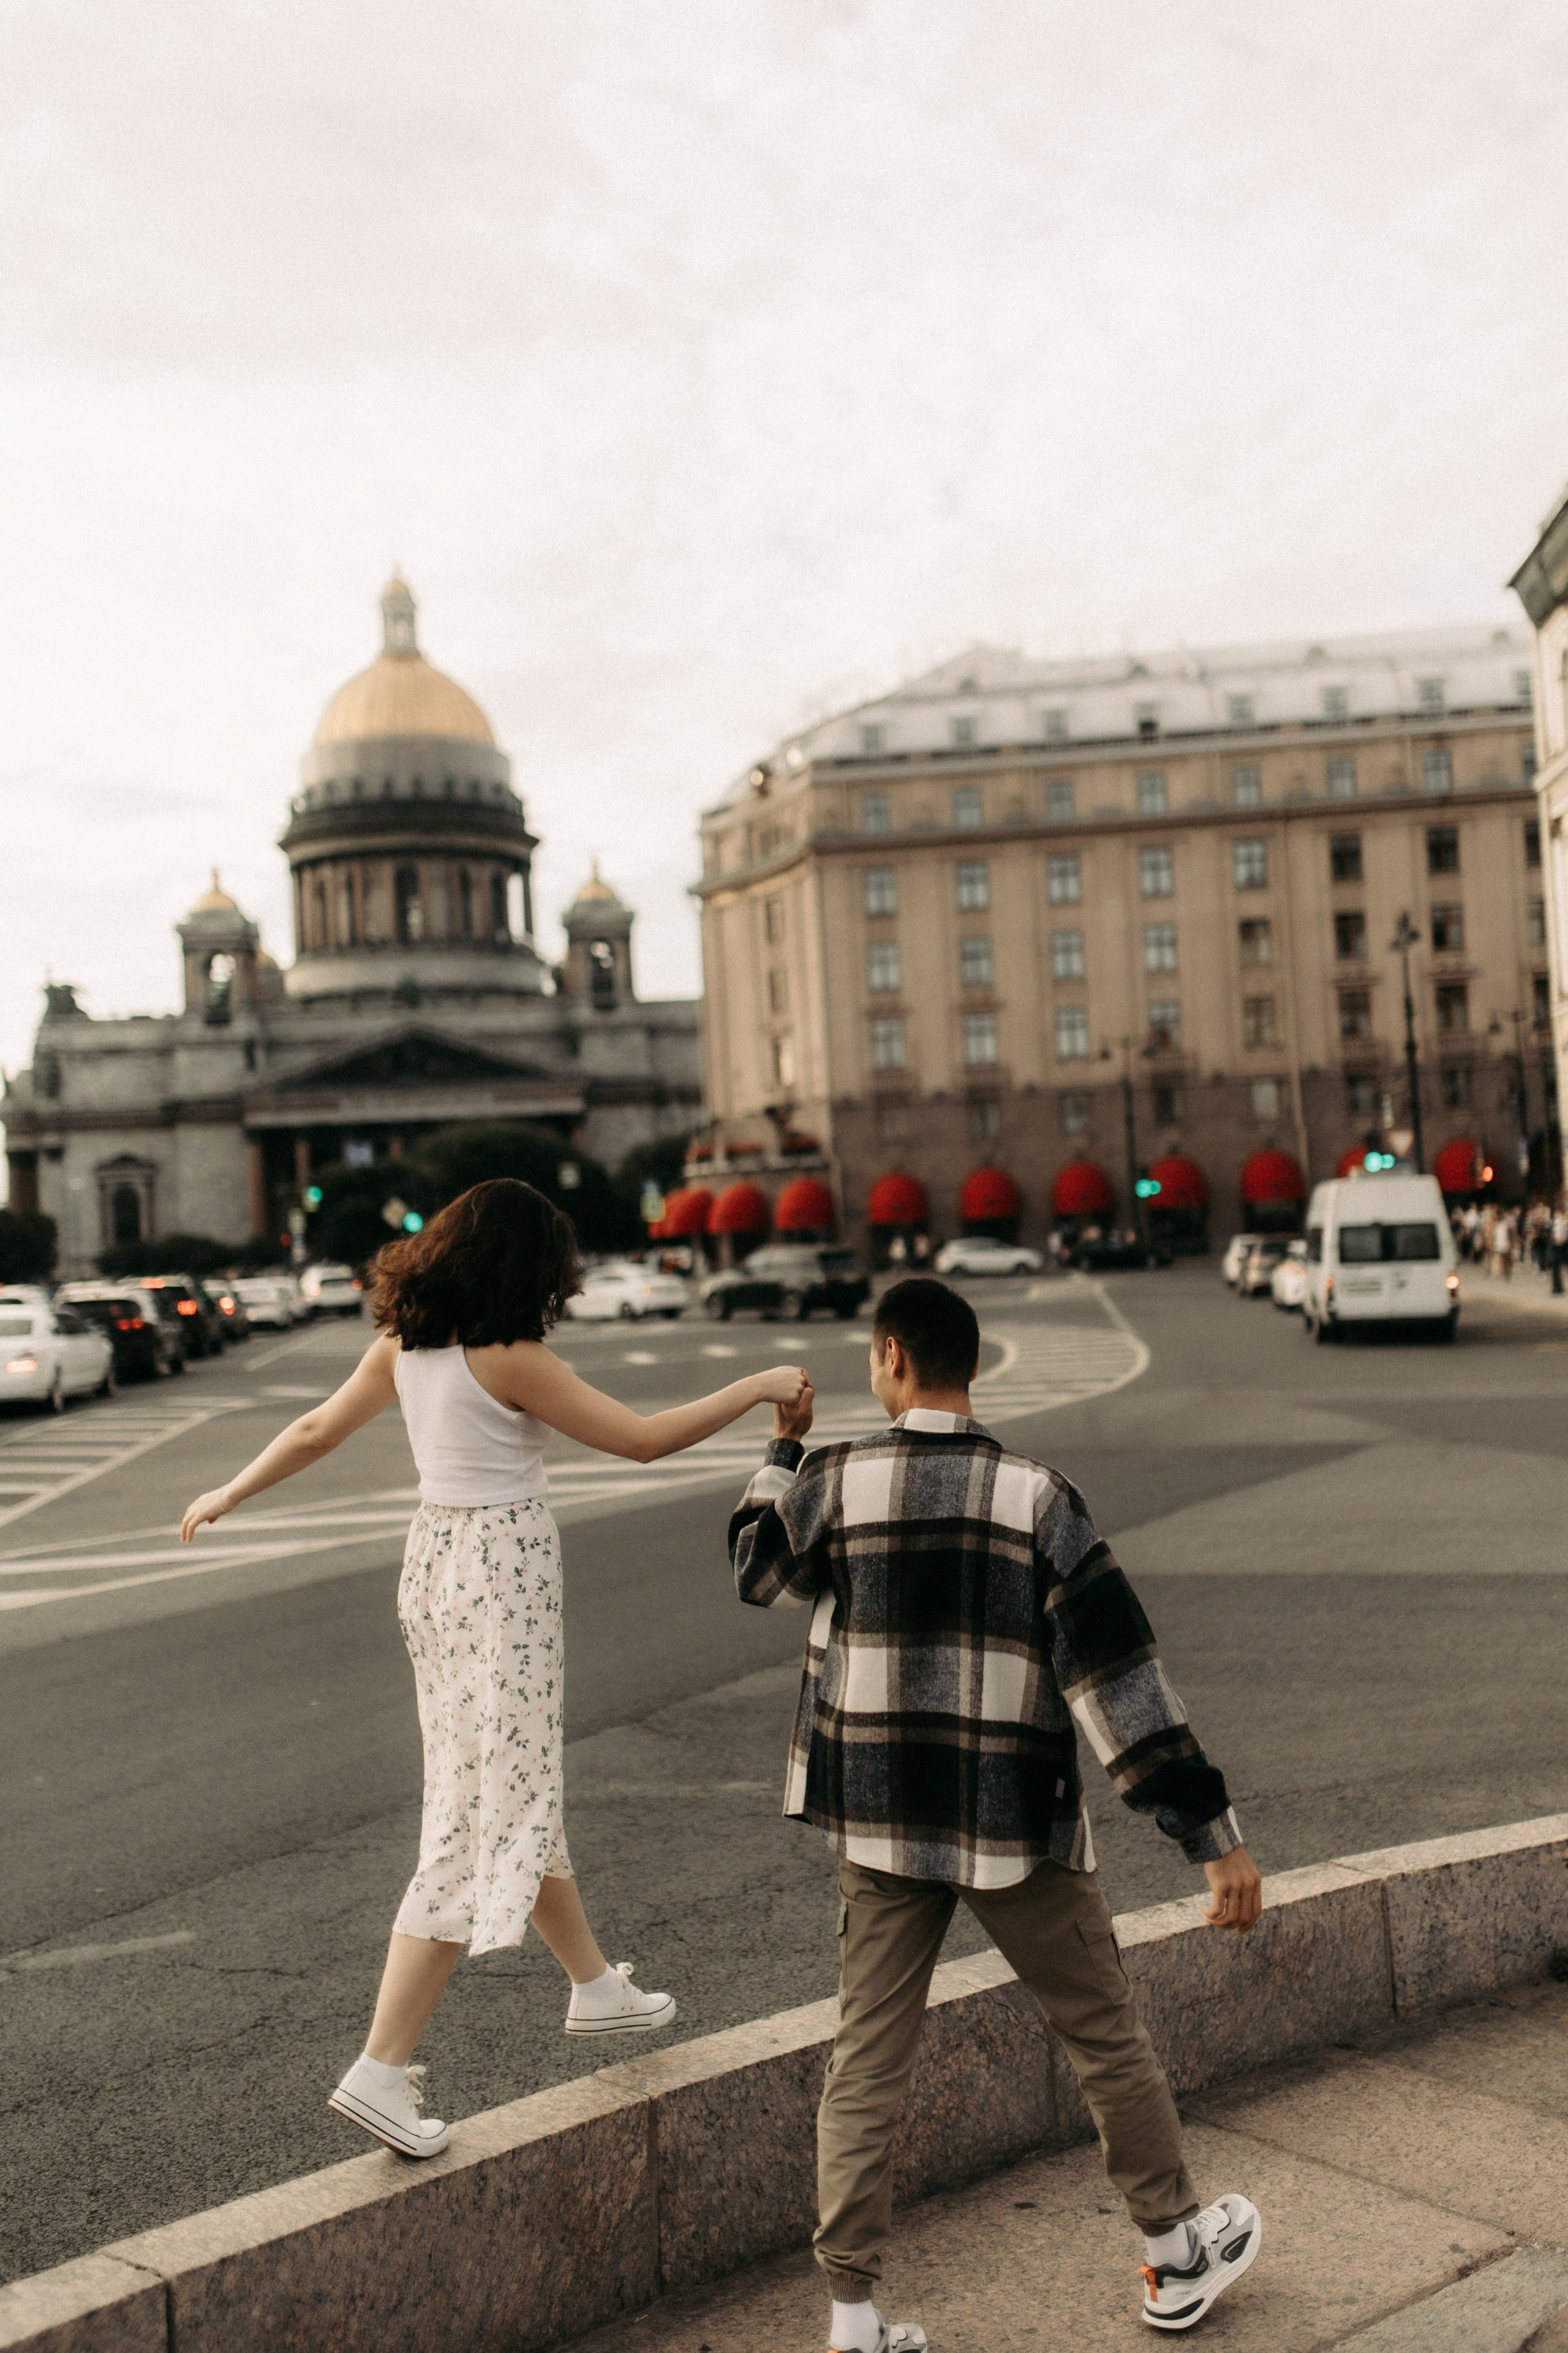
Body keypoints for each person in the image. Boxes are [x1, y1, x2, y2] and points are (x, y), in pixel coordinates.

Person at [181, 1178, 809, 2161]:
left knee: (505, 1783)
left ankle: (596, 1987)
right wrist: (763, 1384)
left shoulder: (406, 1346)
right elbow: (643, 1442)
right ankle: (381, 2067)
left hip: (433, 1566)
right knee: (480, 1812)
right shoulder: (511, 1357)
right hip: (504, 1572)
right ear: (529, 1266)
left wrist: (230, 1488)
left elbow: (315, 1430)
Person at [729, 1276, 1263, 2341]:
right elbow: (1118, 1678)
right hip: (1011, 1821)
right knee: (1102, 2033)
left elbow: (754, 1568)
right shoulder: (1039, 1498)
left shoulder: (835, 1479)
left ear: (890, 1357)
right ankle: (1173, 2256)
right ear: (970, 1367)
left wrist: (785, 1448)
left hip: (877, 1819)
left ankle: (853, 2319)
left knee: (868, 2056)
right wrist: (1210, 1836)